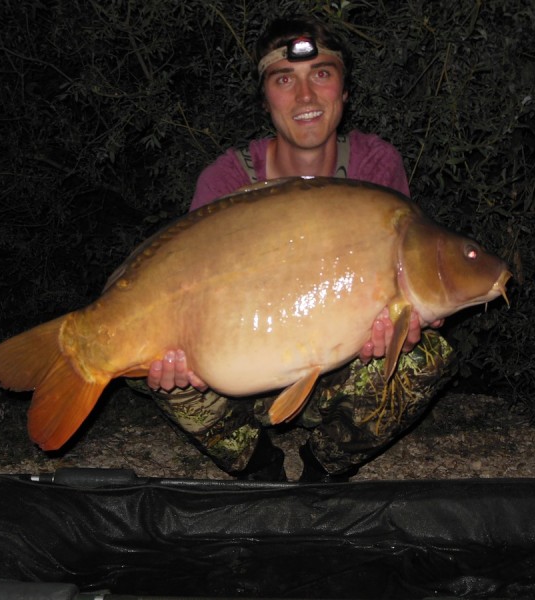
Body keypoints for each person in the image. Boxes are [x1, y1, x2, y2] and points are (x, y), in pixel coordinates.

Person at [127, 16, 455, 482]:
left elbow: (406, 281)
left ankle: (324, 467)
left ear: (344, 90)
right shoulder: (225, 180)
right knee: (159, 365)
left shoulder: (375, 166)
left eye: (321, 74)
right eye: (285, 80)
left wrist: (413, 314)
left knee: (424, 356)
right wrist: (183, 354)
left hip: (339, 370)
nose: (305, 97)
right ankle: (257, 465)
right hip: (241, 379)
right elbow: (183, 292)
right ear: (266, 100)